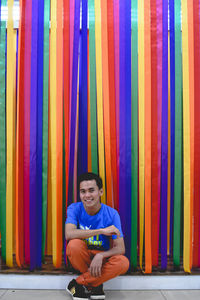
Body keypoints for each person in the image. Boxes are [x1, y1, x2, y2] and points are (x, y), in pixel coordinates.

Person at [65, 172, 129, 300]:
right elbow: (69, 234)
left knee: (123, 262)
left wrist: (101, 255)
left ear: (101, 192)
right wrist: (101, 231)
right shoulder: (74, 208)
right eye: (83, 191)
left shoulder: (112, 214)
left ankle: (79, 283)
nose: (87, 195)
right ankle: (95, 285)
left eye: (91, 190)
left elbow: (120, 248)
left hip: (101, 260)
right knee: (74, 245)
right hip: (82, 257)